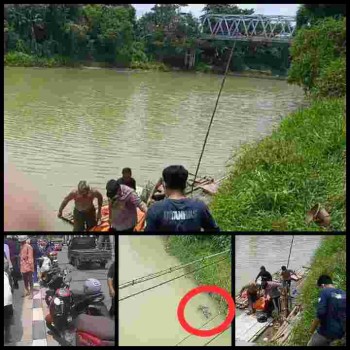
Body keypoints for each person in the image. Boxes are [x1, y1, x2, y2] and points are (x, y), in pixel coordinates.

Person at [145, 165, 220, 232]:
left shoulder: (155, 209)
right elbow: (214, 231)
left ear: (164, 185)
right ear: (185, 184)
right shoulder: (200, 206)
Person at [308, 275, 346, 346]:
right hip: (341, 333)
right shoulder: (343, 293)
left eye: (320, 288)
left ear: (323, 285)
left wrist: (311, 330)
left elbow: (320, 313)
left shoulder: (325, 292)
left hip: (326, 333)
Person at [4, 257, 14, 344]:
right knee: (7, 321)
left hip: (7, 301)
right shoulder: (6, 275)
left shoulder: (6, 275)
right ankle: (7, 338)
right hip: (7, 301)